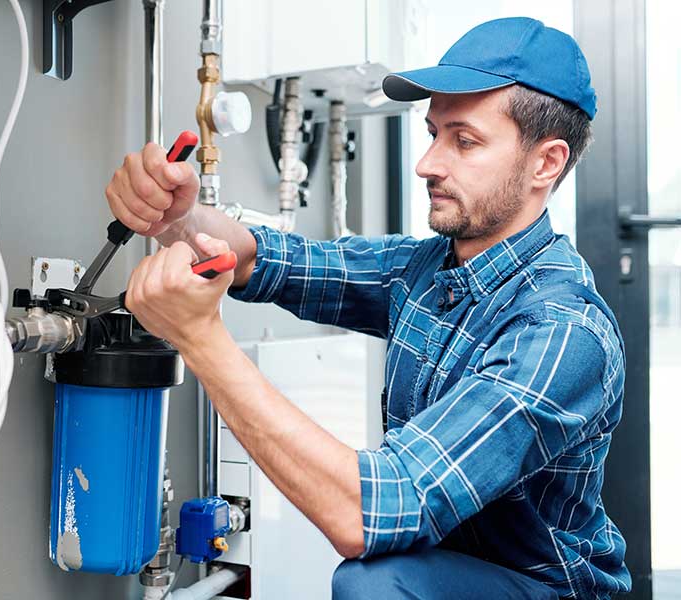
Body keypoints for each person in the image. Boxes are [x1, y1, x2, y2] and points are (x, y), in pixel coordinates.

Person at [104, 17, 631, 600]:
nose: (427, 163)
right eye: (433, 134)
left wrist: (202, 341)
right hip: (446, 568)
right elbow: (268, 258)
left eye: (465, 140)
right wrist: (177, 218)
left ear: (546, 163)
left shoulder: (562, 332)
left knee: (375, 584)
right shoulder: (428, 269)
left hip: (543, 589)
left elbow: (372, 514)